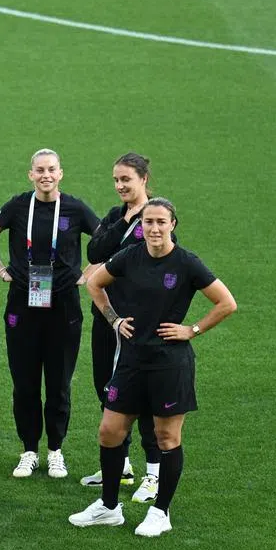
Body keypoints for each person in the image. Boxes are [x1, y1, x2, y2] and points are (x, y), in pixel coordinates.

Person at [70, 198, 236, 537]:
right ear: (142, 225)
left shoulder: (187, 263)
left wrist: (192, 330)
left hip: (169, 364)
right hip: (132, 360)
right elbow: (94, 283)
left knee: (166, 437)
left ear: (173, 224)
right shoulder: (130, 256)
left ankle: (160, 511)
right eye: (149, 222)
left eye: (161, 222)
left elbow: (226, 302)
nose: (154, 228)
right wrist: (113, 320)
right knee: (110, 431)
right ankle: (109, 506)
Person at [0, 149, 99, 479]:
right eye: (39, 170)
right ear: (31, 174)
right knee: (25, 382)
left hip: (64, 306)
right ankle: (29, 449)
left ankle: (55, 450)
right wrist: (1, 270)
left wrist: (87, 274)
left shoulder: (74, 207)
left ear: (61, 173)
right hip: (22, 304)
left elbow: (106, 243)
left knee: (59, 383)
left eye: (51, 170)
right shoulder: (17, 206)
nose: (46, 175)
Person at [81, 153, 161, 502]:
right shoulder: (117, 214)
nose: (119, 186)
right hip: (106, 314)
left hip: (135, 323)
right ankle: (121, 464)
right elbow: (95, 248)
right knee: (106, 387)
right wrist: (123, 220)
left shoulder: (157, 218)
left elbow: (133, 260)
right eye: (115, 180)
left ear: (144, 179)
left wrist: (111, 252)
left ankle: (154, 474)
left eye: (126, 179)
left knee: (141, 397)